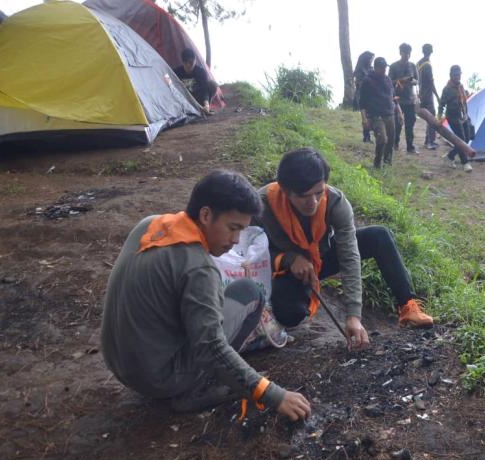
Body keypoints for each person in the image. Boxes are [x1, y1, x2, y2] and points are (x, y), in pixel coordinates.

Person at [101, 169, 311, 420]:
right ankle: (193, 391)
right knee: (250, 293)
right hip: (157, 379)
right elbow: (212, 348)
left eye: (241, 231)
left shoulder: (151, 225)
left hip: (120, 363)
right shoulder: (199, 267)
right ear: (205, 214)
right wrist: (273, 395)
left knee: (233, 293)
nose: (235, 240)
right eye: (232, 228)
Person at [256, 148, 434, 351]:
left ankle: (408, 306)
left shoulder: (335, 202)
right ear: (285, 190)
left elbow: (349, 255)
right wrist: (287, 259)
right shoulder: (262, 205)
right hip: (284, 271)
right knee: (291, 314)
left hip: (321, 259)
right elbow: (245, 257)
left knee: (379, 235)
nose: (313, 202)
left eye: (318, 192)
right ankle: (296, 296)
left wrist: (353, 316)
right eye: (304, 196)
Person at [359, 57, 398, 169]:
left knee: (391, 140)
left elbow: (393, 96)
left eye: (385, 67)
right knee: (382, 139)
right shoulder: (367, 81)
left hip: (389, 114)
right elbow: (362, 102)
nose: (384, 70)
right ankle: (377, 163)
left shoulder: (387, 79)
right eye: (382, 68)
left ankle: (387, 163)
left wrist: (399, 112)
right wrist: (364, 119)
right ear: (376, 67)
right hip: (376, 115)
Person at [438, 65, 473, 173]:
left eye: (459, 75)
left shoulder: (461, 87)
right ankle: (465, 163)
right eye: (456, 75)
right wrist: (439, 118)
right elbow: (441, 104)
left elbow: (464, 101)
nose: (458, 77)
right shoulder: (447, 89)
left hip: (463, 116)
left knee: (466, 139)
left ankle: (450, 156)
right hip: (453, 117)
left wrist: (467, 115)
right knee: (461, 139)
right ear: (451, 75)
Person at [388, 43, 419, 154]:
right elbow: (389, 82)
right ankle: (395, 143)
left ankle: (410, 147)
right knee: (397, 124)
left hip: (410, 100)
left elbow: (417, 81)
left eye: (409, 53)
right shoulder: (393, 66)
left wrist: (411, 81)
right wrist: (401, 80)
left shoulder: (412, 66)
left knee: (410, 125)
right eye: (405, 53)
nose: (407, 55)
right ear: (400, 53)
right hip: (398, 101)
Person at [172, 48, 214, 113]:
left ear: (195, 60)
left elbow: (204, 90)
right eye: (186, 62)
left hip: (198, 99)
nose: (188, 65)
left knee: (212, 84)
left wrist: (206, 104)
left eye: (191, 62)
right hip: (183, 100)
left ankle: (205, 108)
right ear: (182, 62)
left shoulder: (201, 72)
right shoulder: (176, 72)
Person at [416, 43, 440, 150]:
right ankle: (429, 141)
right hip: (427, 95)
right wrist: (437, 96)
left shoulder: (419, 63)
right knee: (431, 117)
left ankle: (429, 140)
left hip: (421, 93)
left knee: (428, 117)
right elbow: (431, 82)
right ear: (431, 51)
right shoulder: (427, 65)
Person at [353, 51, 375, 143]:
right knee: (365, 115)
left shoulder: (371, 69)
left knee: (370, 115)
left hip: (371, 94)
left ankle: (369, 135)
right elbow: (358, 84)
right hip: (362, 94)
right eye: (371, 59)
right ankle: (366, 136)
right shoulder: (359, 70)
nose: (372, 61)